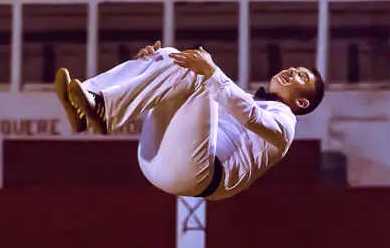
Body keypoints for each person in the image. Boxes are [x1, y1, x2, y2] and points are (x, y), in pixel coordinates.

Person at [53, 41, 324, 201]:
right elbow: (199, 108)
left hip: (197, 177)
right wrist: (151, 67)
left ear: (302, 102)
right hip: (158, 158)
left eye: (301, 76)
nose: (291, 70)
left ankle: (104, 110)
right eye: (294, 68)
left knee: (198, 74)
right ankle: (90, 100)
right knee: (172, 56)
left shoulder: (285, 126)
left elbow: (249, 115)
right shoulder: (244, 98)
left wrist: (211, 71)